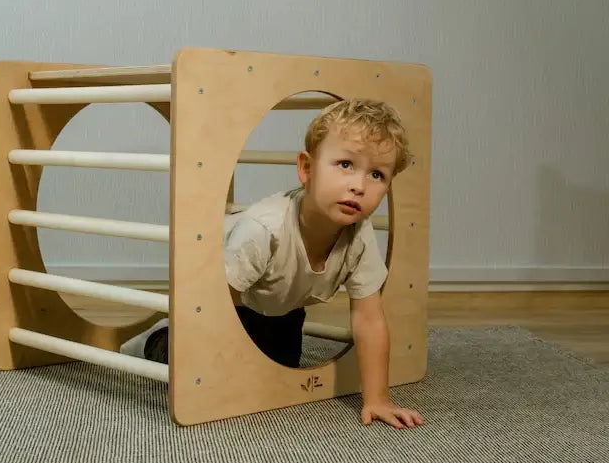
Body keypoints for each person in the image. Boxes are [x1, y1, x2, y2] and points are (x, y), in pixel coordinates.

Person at [121, 98, 425, 429]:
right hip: (225, 294)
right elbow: (214, 304)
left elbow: (369, 317)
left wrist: (377, 398)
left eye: (377, 174)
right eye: (345, 164)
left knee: (280, 368)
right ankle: (156, 338)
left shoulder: (359, 236)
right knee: (210, 370)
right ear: (307, 168)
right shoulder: (265, 229)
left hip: (282, 303)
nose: (359, 185)